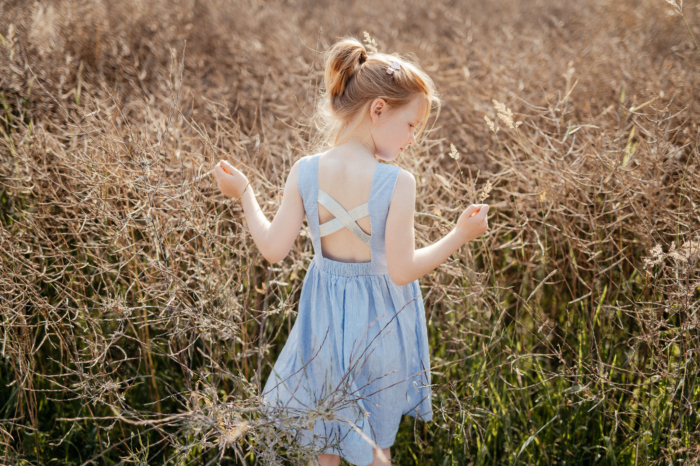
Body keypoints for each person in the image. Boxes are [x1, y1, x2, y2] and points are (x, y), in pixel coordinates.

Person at [213, 36, 489, 466]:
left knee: (328, 443)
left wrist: (245, 191)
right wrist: (459, 234)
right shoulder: (397, 182)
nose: (413, 139)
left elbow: (272, 249)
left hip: (321, 328)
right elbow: (401, 271)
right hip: (378, 329)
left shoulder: (305, 171)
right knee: (375, 446)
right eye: (412, 125)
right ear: (378, 109)